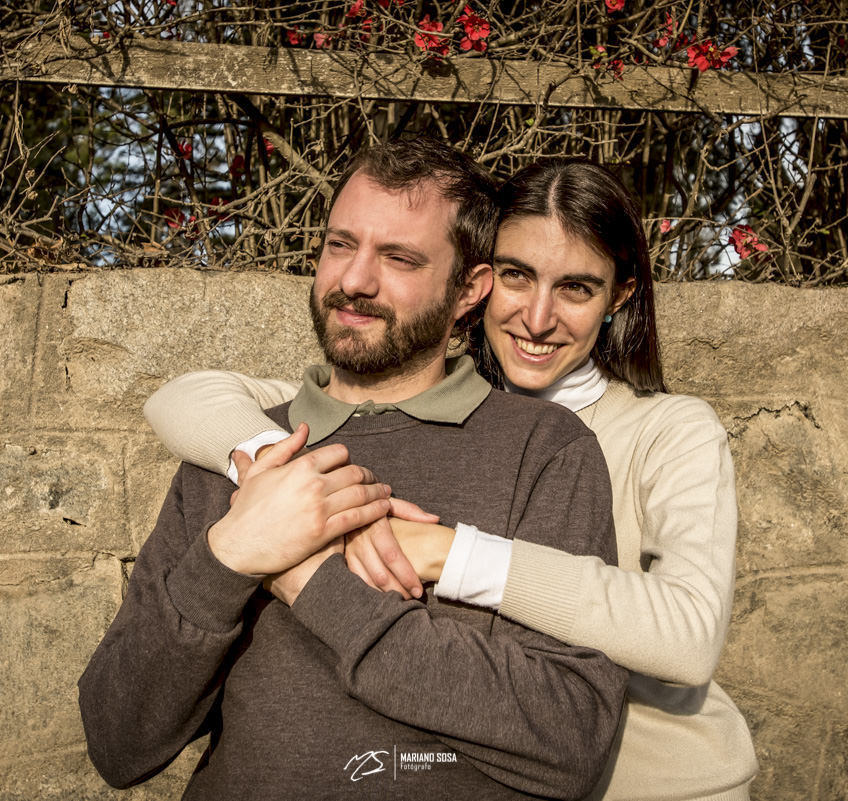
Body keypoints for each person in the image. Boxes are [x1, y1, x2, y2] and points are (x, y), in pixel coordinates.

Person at [144, 157, 759, 801]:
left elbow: (689, 638)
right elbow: (189, 399)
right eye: (518, 278)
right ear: (478, 284)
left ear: (619, 298)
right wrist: (294, 482)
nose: (538, 318)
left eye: (576, 289)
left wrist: (449, 551)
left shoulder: (669, 429)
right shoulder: (437, 403)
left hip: (662, 782)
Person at [79, 139, 628, 800]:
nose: (354, 280)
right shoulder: (241, 457)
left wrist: (310, 576)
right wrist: (228, 557)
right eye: (341, 245)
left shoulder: (544, 450)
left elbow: (569, 739)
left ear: (468, 290)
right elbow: (118, 742)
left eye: (398, 258)